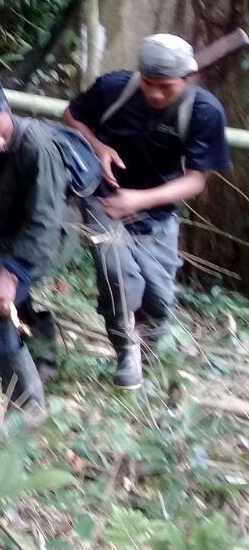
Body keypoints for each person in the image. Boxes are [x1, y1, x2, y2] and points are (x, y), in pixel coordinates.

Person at [63, 33, 230, 389]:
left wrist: (139, 200)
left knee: (158, 297)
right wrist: (98, 146)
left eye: (165, 88)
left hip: (156, 211)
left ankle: (152, 344)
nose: (154, 94)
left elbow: (196, 180)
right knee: (116, 274)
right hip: (104, 197)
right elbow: (72, 116)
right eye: (148, 84)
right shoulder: (114, 89)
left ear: (189, 77)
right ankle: (126, 349)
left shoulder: (203, 112)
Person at [0, 80, 77, 411]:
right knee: (5, 297)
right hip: (0, 233)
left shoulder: (37, 147)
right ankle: (42, 355)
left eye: (0, 131)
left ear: (8, 111)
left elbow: (45, 221)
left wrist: (12, 273)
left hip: (48, 236)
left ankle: (26, 401)